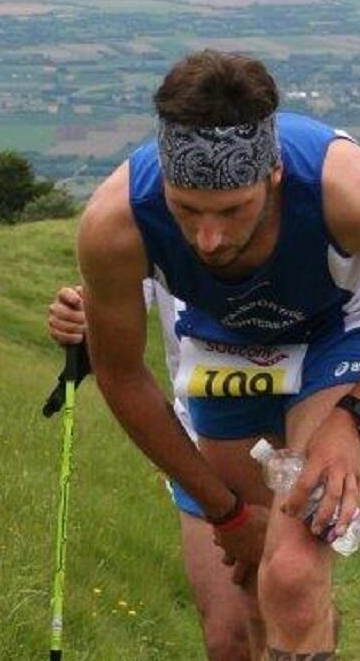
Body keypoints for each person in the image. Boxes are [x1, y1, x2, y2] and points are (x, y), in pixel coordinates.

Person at [76, 50, 360, 657]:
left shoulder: (347, 190)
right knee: (244, 611)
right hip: (225, 346)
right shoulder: (116, 224)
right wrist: (227, 516)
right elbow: (118, 375)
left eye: (232, 210)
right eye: (186, 210)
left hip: (343, 332)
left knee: (293, 573)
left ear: (272, 177)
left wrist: (357, 417)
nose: (208, 238)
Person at [49, 281, 261, 660]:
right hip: (201, 446)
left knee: (292, 615)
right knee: (229, 640)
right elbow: (114, 303)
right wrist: (82, 317)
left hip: (296, 441)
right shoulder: (146, 223)